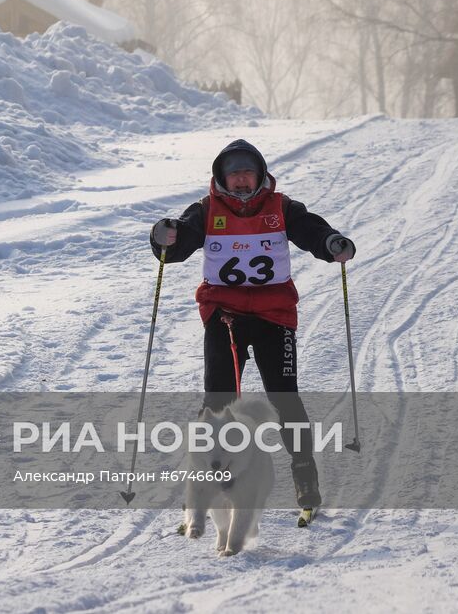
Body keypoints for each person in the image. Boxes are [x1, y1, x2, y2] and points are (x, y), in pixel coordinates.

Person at [149, 138, 356, 513]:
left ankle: (304, 476)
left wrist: (331, 243)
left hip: (274, 315)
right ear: (222, 179)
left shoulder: (281, 207)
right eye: (234, 175)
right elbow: (177, 246)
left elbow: (311, 230)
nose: (241, 182)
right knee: (219, 402)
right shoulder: (207, 209)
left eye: (247, 173)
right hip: (223, 315)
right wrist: (164, 236)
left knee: (285, 400)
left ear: (260, 176)